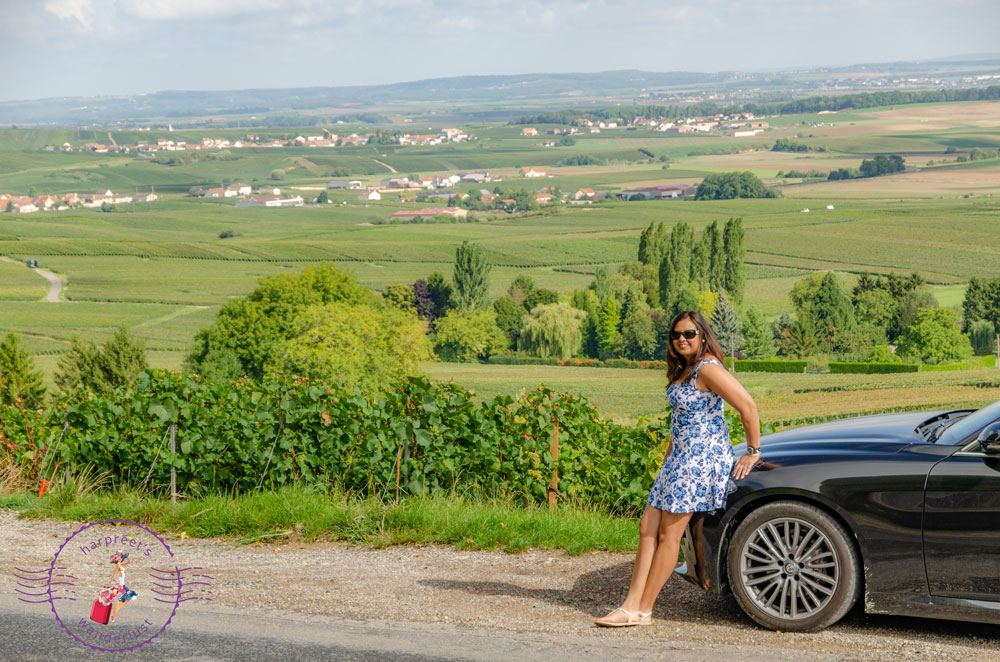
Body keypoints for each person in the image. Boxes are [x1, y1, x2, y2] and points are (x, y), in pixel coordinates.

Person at [595, 310, 760, 627]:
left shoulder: (708, 368)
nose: (681, 339)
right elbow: (680, 423)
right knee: (647, 527)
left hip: (699, 462)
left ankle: (642, 610)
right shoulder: (686, 369)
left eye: (688, 334)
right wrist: (666, 462)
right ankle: (630, 604)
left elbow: (747, 405)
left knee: (669, 534)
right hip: (678, 460)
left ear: (702, 336)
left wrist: (752, 451)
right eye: (675, 335)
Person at [105, 550, 139, 624]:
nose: (121, 558)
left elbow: (129, 562)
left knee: (128, 598)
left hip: (121, 581)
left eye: (121, 557)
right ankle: (113, 614)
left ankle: (114, 614)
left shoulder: (120, 564)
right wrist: (109, 583)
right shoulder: (118, 565)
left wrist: (127, 556)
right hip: (121, 582)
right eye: (120, 557)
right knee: (128, 596)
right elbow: (114, 574)